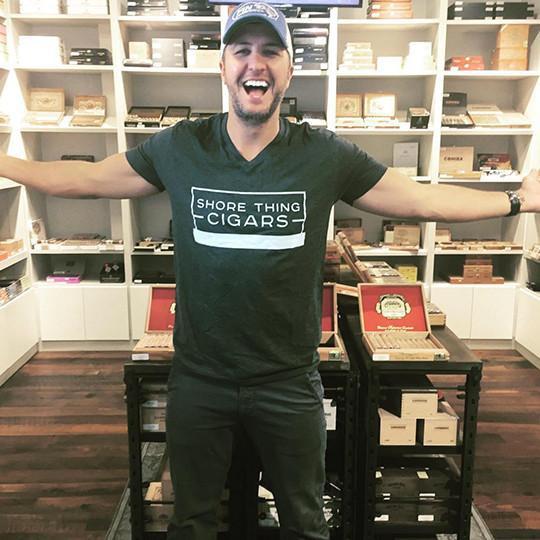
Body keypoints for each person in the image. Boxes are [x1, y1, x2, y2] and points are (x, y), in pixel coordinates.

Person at [2, 2, 539, 538]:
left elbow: (420, 199)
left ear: (289, 69)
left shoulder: (324, 155)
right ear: (223, 67)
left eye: (270, 51)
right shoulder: (182, 147)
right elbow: (85, 180)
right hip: (199, 379)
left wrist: (516, 201)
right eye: (241, 50)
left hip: (289, 382)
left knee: (305, 523)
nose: (254, 63)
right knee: (192, 523)